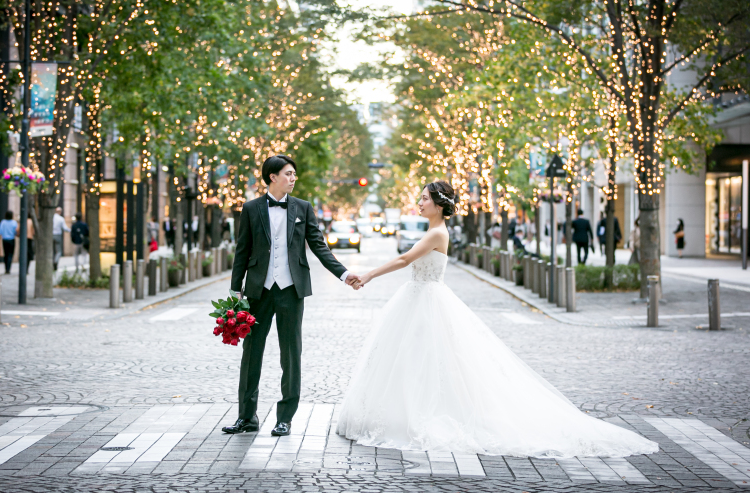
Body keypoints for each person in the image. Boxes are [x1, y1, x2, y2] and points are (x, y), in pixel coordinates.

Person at [336, 181, 658, 458]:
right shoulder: (434, 231)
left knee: (428, 360)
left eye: (424, 198)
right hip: (418, 298)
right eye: (420, 198)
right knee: (414, 360)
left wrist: (368, 275)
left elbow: (406, 258)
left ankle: (417, 416)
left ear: (439, 205)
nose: (419, 203)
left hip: (427, 300)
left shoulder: (436, 233)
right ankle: (405, 413)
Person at [222, 154, 362, 438]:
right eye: (288, 174)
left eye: (294, 174)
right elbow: (242, 250)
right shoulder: (250, 208)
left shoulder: (303, 208)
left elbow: (319, 247)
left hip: (291, 290)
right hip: (258, 291)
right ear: (272, 177)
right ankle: (246, 417)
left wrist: (344, 274)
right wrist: (236, 290)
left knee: (291, 354)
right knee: (251, 354)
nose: (293, 178)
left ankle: (285, 418)